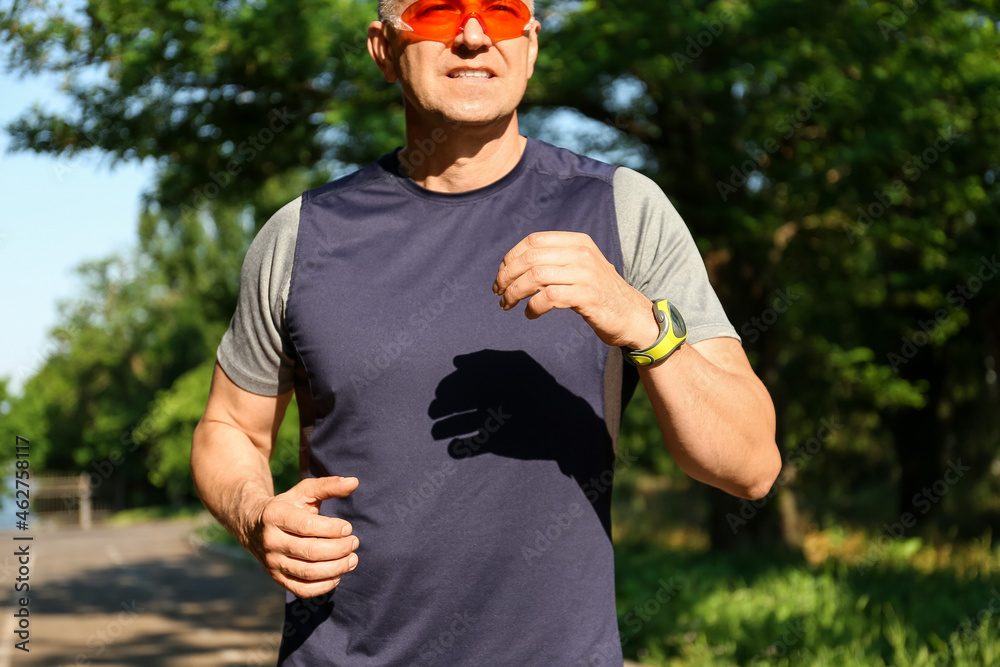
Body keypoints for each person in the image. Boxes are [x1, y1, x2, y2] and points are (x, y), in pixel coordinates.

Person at [190, 0, 782, 664]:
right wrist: (254, 514)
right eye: (439, 11)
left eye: (499, 12)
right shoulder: (302, 234)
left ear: (529, 45)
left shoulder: (621, 210)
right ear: (383, 46)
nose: (473, 36)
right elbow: (229, 430)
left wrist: (641, 321)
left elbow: (752, 465)